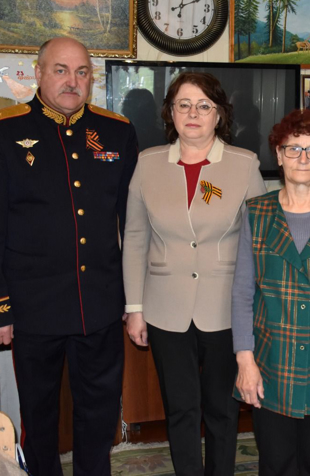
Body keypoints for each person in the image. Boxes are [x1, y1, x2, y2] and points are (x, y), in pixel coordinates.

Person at [0, 37, 138, 476]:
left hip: (99, 305)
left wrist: (133, 299)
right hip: (31, 310)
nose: (72, 81)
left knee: (98, 417)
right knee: (39, 420)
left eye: (81, 72)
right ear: (38, 73)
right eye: (60, 70)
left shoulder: (117, 131)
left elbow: (133, 224)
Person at [122, 72, 266, 476]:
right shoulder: (148, 164)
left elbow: (259, 241)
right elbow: (134, 237)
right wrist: (134, 306)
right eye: (183, 104)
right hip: (164, 308)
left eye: (204, 106)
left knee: (222, 409)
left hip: (225, 310)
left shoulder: (243, 165)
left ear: (219, 114)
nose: (193, 114)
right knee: (181, 409)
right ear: (170, 112)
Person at [232, 109, 310, 475]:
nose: (303, 159)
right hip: (270, 362)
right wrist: (245, 361)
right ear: (278, 155)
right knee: (276, 463)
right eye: (293, 149)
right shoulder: (256, 213)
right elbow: (242, 292)